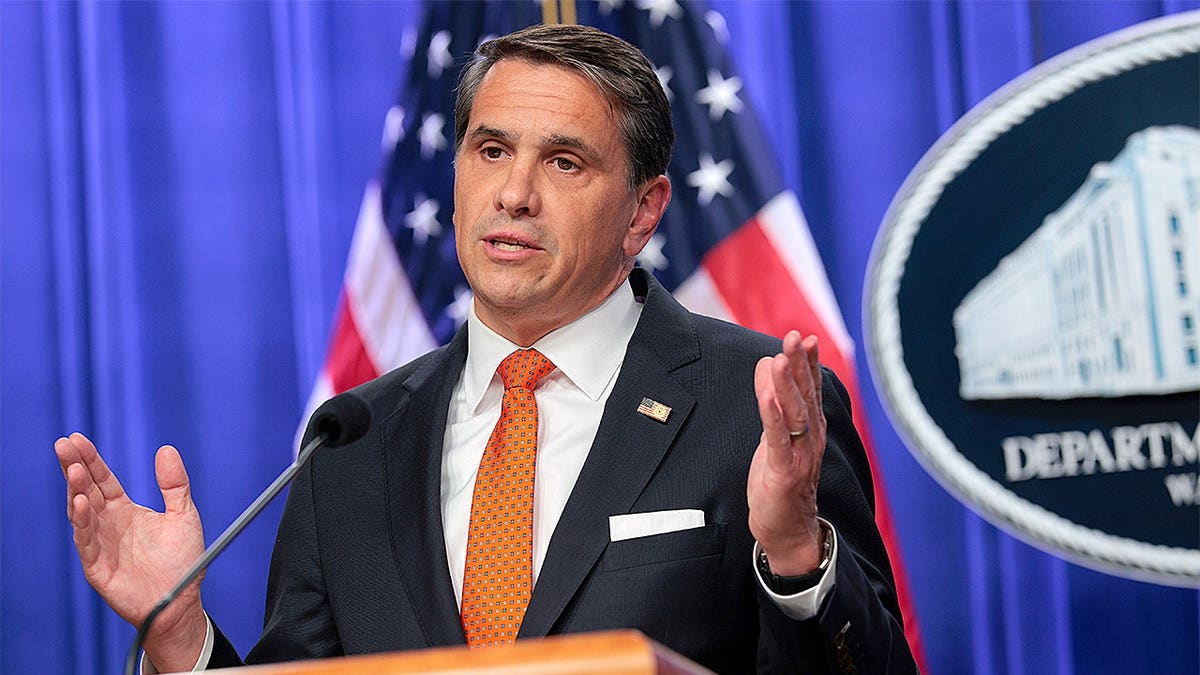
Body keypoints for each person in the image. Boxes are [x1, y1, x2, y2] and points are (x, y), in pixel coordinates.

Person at [55, 23, 917, 674]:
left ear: (645, 210)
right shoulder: (350, 440)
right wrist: (182, 636)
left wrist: (798, 553)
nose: (514, 193)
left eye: (566, 163)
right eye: (491, 149)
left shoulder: (748, 402)